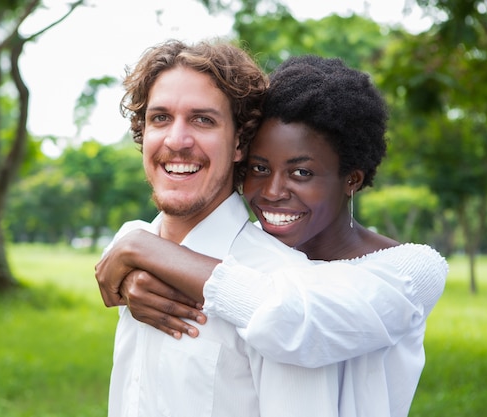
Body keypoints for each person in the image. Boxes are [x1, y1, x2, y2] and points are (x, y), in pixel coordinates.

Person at [96, 54, 448, 416]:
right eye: (260, 168)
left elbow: (297, 323)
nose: (273, 191)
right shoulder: (158, 253)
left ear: (352, 179)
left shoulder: (407, 269)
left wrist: (142, 249)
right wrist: (139, 248)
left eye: (301, 173)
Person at [102, 39, 345, 417]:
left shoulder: (284, 286)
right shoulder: (130, 265)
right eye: (160, 118)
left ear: (238, 143)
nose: (177, 141)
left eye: (203, 120)